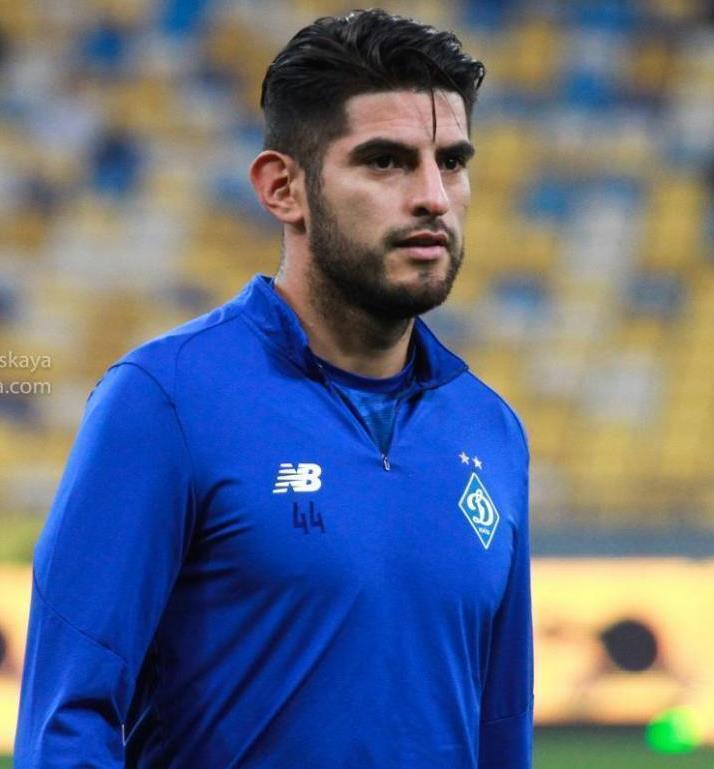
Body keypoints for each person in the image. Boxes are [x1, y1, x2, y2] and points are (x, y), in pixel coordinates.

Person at [15, 9, 533, 768]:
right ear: (283, 187)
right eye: (385, 161)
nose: (433, 196)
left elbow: (502, 729)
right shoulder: (164, 400)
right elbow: (67, 723)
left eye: (451, 162)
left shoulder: (492, 429)